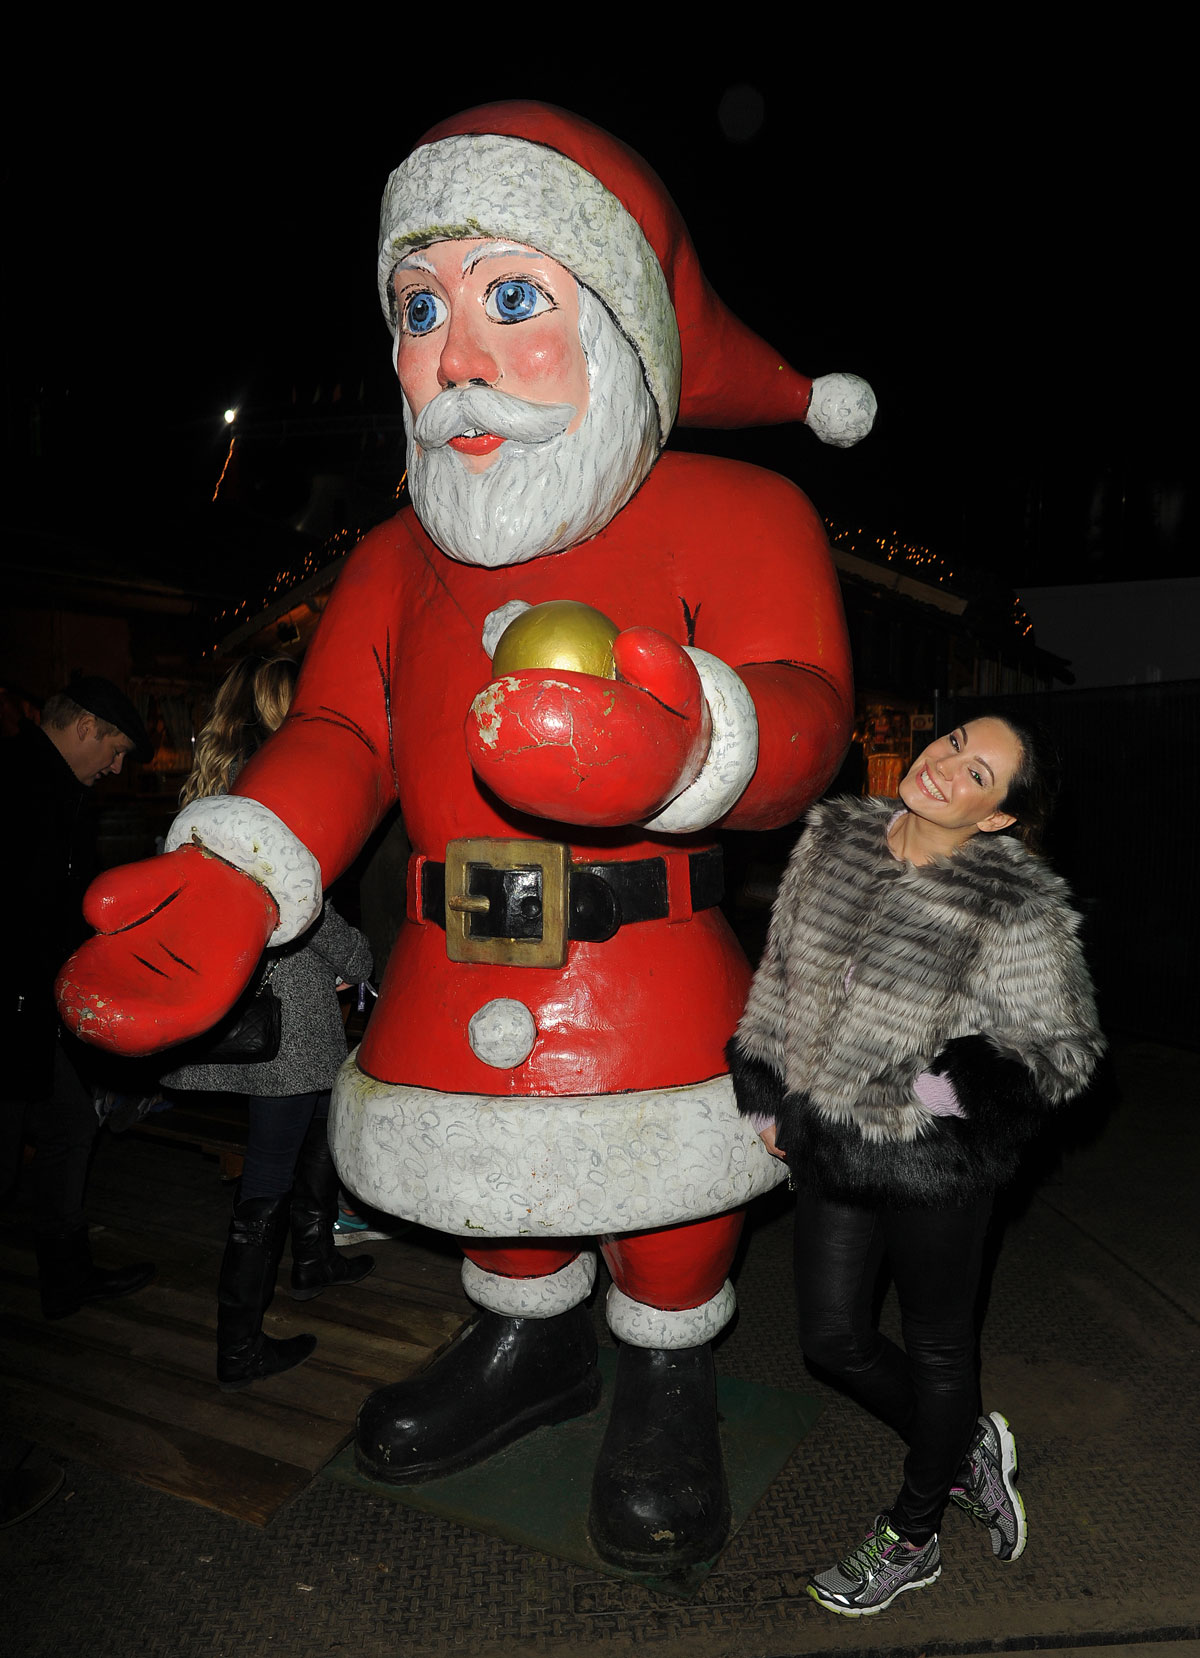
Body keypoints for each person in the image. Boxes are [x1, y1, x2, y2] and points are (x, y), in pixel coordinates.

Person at [58, 102, 874, 1570]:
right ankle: (530, 1343)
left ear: (620, 319)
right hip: (454, 953)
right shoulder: (387, 559)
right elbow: (341, 738)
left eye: (513, 297)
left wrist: (696, 735)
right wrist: (240, 866)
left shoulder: (745, 513)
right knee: (493, 1181)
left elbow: (806, 714)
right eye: (418, 308)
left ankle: (668, 1372)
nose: (458, 356)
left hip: (651, 956)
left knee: (669, 1193)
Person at [728, 714, 1104, 1616]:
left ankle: (915, 1529)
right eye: (953, 743)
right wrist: (771, 1087)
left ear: (997, 819)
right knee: (832, 1340)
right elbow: (783, 970)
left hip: (938, 1166)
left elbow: (1064, 1049)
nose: (944, 767)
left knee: (939, 1347)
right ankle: (965, 1445)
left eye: (977, 775)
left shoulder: (1014, 903)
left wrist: (933, 1097)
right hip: (828, 1140)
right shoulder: (836, 838)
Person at [160, 656, 375, 1390]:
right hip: (285, 1007)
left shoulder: (231, 782)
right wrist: (361, 953)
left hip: (258, 999)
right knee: (273, 1168)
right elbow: (300, 904)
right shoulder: (275, 788)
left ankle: (314, 1261)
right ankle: (240, 1346)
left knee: (314, 1127)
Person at [1, 677, 156, 1318]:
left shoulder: (55, 787)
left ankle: (66, 1276)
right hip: (12, 1007)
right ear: (85, 726)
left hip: (34, 1006)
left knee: (67, 1125)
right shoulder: (21, 782)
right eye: (115, 749)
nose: (117, 766)